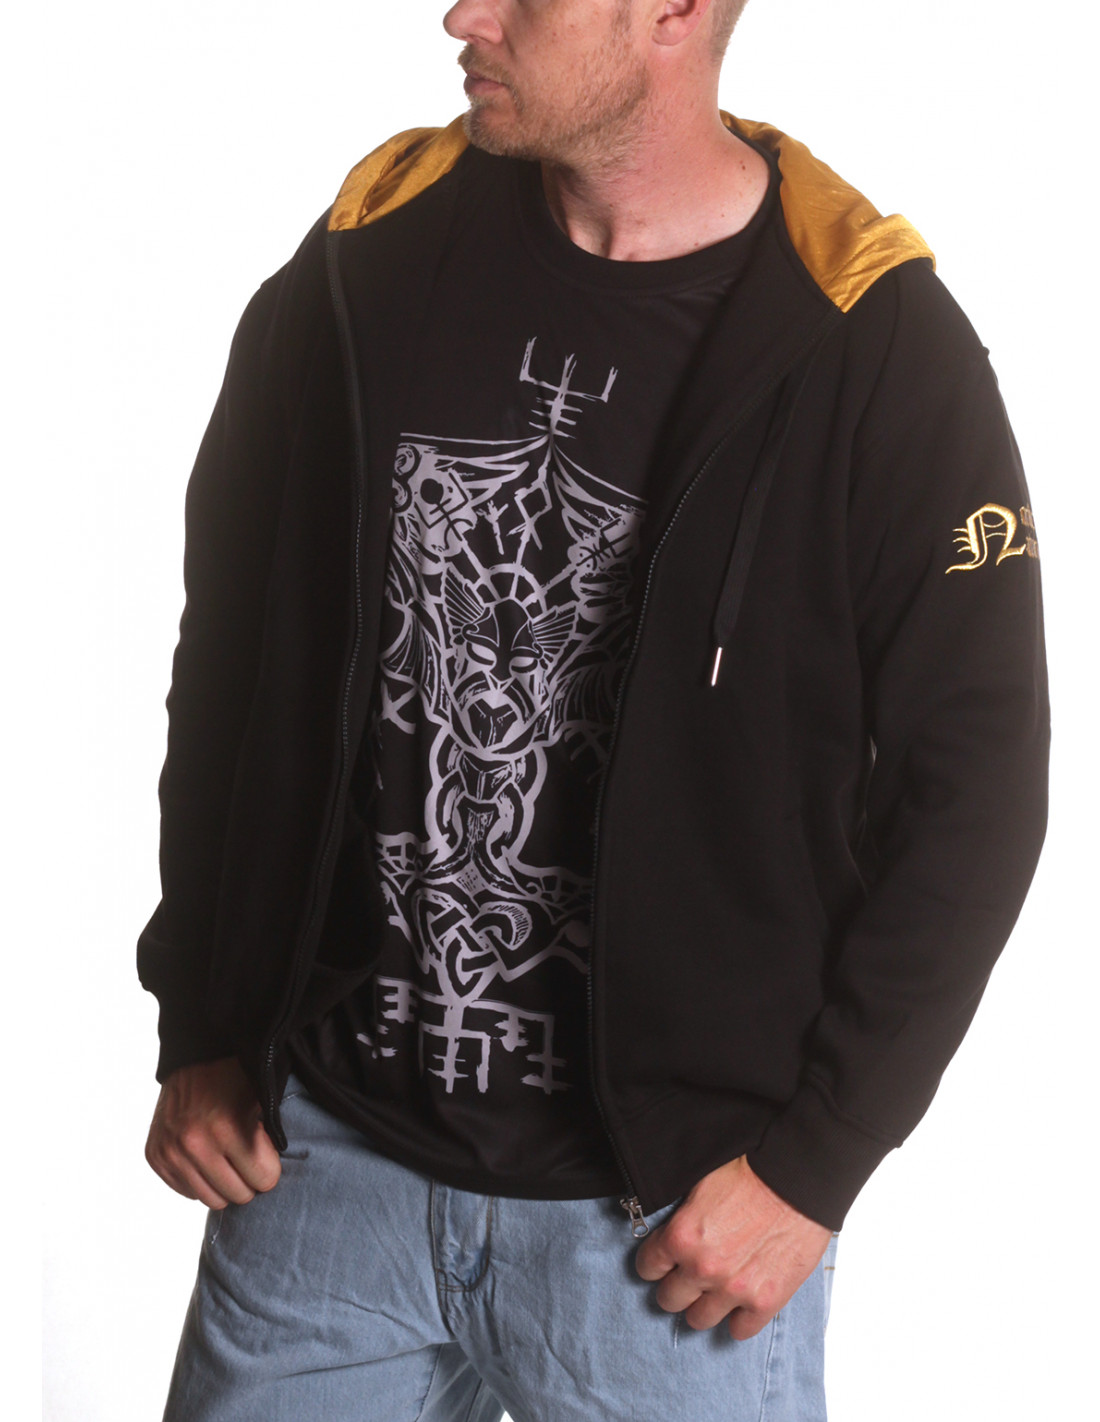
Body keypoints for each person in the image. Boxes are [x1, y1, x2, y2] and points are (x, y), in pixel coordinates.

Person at [138, 1, 1049, 1418]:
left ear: (672, 11)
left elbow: (978, 785)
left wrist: (818, 1163)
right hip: (324, 1174)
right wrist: (202, 1013)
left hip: (668, 1232)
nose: (464, 15)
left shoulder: (869, 341)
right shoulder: (365, 264)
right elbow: (231, 657)